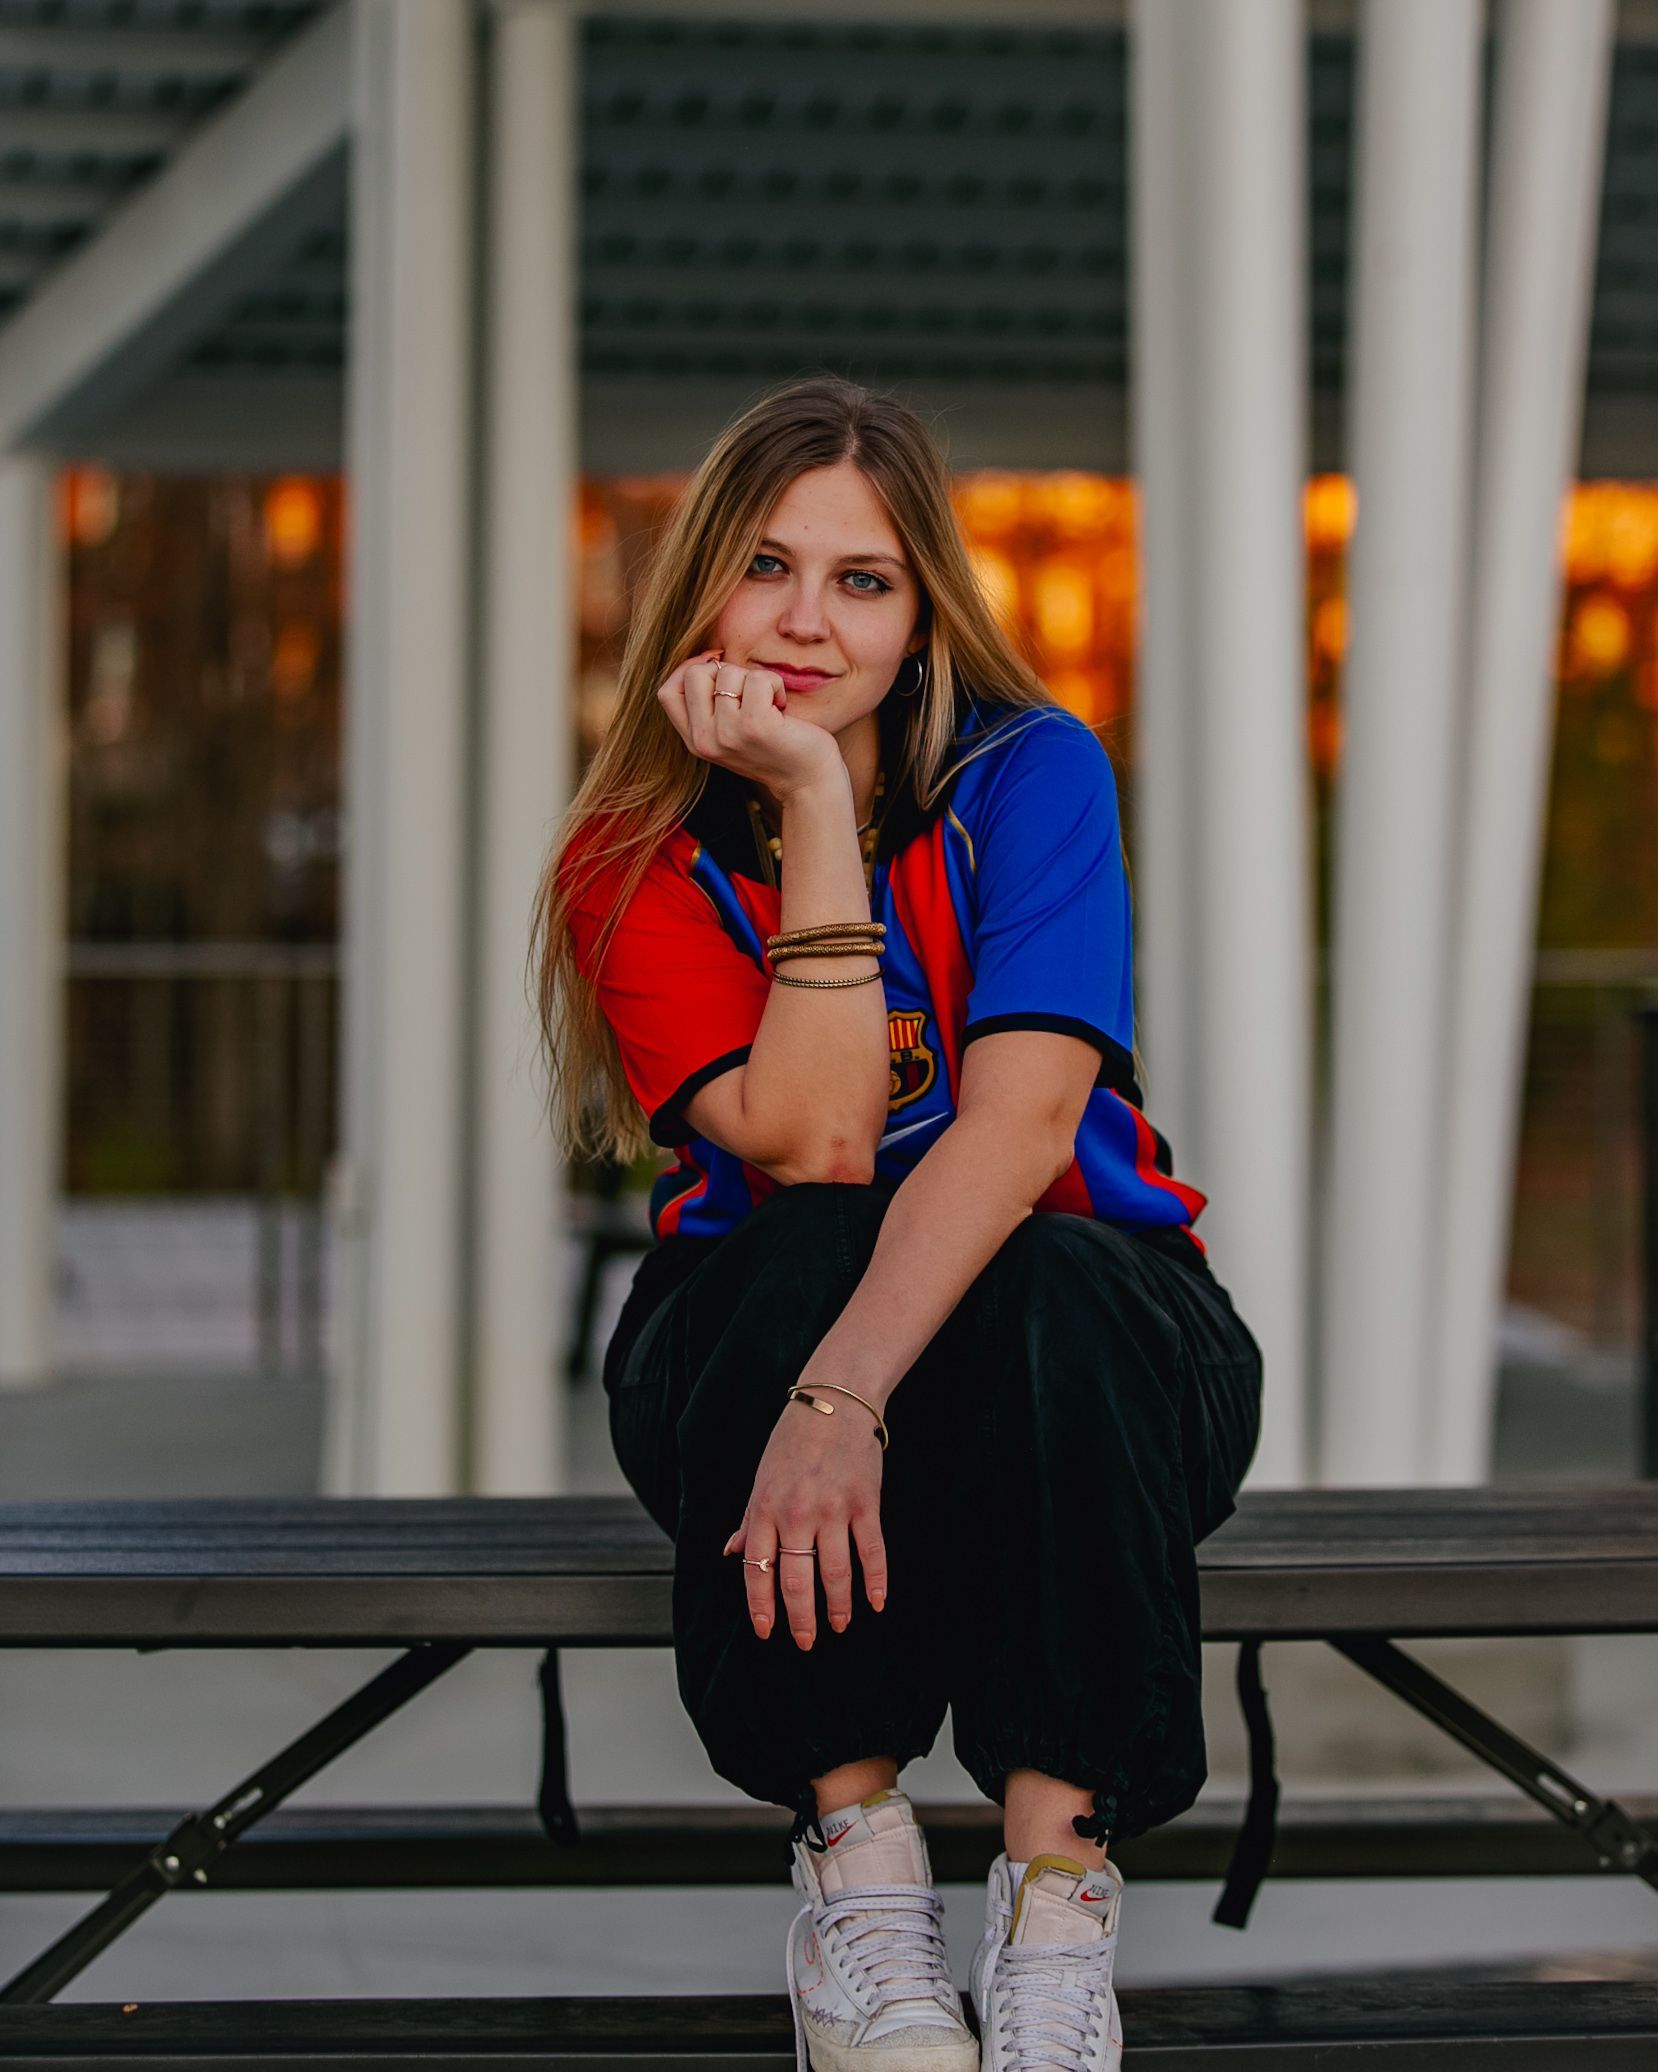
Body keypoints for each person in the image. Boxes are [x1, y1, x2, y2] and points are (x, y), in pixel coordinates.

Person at [534, 374, 1263, 2072]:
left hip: (1083, 1376)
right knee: (801, 1246)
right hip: (759, 1348)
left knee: (1061, 1274)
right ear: (699, 584)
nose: (806, 623)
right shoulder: (628, 856)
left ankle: (1051, 1903)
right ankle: (860, 1885)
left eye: (861, 581)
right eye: (767, 568)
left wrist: (844, 1397)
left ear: (924, 608)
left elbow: (1016, 1130)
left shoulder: (1031, 773)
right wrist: (803, 801)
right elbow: (822, 1137)